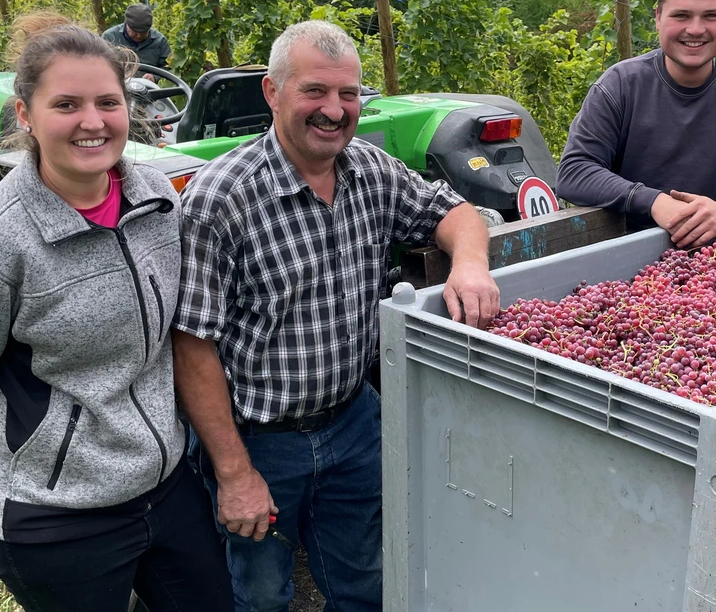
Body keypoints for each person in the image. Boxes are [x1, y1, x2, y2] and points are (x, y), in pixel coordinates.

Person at [0, 13, 233, 612]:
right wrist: (34, 455)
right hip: (56, 517)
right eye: (67, 104)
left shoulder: (157, 198)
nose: (92, 121)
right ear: (25, 115)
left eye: (109, 102)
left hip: (165, 486)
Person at [171, 19, 499, 612]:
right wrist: (234, 472)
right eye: (314, 92)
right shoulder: (222, 198)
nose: (334, 109)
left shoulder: (369, 171)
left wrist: (470, 264)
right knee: (262, 592)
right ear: (273, 93)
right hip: (259, 439)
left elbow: (456, 213)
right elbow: (192, 346)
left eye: (348, 94)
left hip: (353, 420)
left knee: (366, 582)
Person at [557, 0, 716, 249]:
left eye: (711, 16)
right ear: (658, 18)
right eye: (681, 16)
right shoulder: (621, 84)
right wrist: (653, 201)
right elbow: (575, 171)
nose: (696, 29)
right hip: (628, 260)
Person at [102, 3, 171, 80]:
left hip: (150, 88)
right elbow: (101, 65)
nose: (139, 36)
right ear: (127, 25)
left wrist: (154, 77)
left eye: (143, 33)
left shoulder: (160, 41)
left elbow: (168, 68)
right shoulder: (110, 37)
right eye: (135, 32)